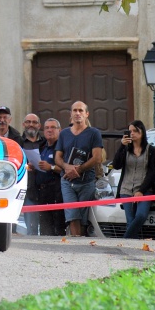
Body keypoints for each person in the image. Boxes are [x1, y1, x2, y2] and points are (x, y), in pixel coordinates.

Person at [54, 101, 104, 237]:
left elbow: (97, 157)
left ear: (87, 114)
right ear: (70, 114)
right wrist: (66, 167)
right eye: (74, 110)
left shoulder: (94, 133)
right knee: (72, 215)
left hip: (86, 181)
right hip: (67, 181)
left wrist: (79, 170)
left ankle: (82, 243)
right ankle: (76, 244)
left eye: (81, 110)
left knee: (83, 218)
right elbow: (57, 157)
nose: (77, 113)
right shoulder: (64, 134)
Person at [113, 120, 155, 239]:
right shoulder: (126, 149)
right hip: (126, 189)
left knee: (141, 216)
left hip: (144, 189)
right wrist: (122, 146)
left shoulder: (151, 150)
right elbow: (116, 165)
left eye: (135, 131)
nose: (132, 133)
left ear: (142, 132)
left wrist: (141, 191)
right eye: (130, 131)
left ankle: (125, 240)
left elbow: (152, 173)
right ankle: (131, 248)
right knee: (130, 220)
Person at [36, 118, 66, 236]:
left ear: (60, 130)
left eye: (53, 127)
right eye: (47, 128)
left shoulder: (62, 148)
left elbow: (67, 169)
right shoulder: (41, 147)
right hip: (41, 191)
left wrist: (51, 167)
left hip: (57, 191)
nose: (49, 130)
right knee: (44, 226)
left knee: (58, 225)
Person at [20, 113, 44, 235]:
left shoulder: (45, 142)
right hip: (28, 187)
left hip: (45, 187)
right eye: (28, 122)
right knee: (31, 225)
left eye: (34, 122)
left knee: (46, 225)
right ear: (23, 124)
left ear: (39, 126)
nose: (31, 125)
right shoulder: (18, 142)